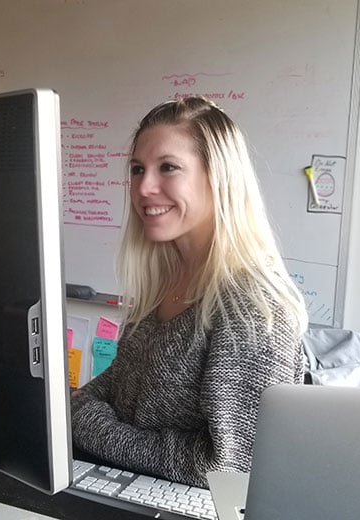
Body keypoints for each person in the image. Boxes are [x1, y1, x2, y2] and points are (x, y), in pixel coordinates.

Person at [70, 96, 308, 488]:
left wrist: (88, 423)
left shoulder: (251, 309)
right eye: (137, 169)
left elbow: (228, 469)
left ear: (219, 178)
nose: (144, 188)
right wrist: (80, 409)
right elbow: (116, 385)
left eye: (168, 167)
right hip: (120, 491)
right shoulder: (162, 281)